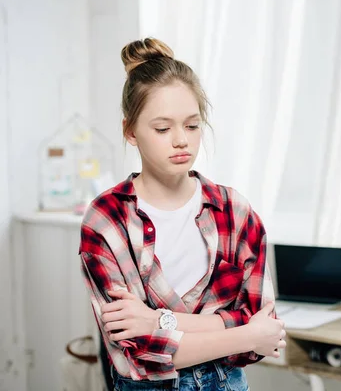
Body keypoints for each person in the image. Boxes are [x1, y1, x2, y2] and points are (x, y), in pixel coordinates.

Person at [79, 37, 286, 391]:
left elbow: (262, 321)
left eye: (192, 125)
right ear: (130, 130)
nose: (182, 140)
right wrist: (242, 334)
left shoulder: (235, 211)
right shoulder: (106, 219)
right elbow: (136, 355)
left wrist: (157, 320)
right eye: (162, 128)